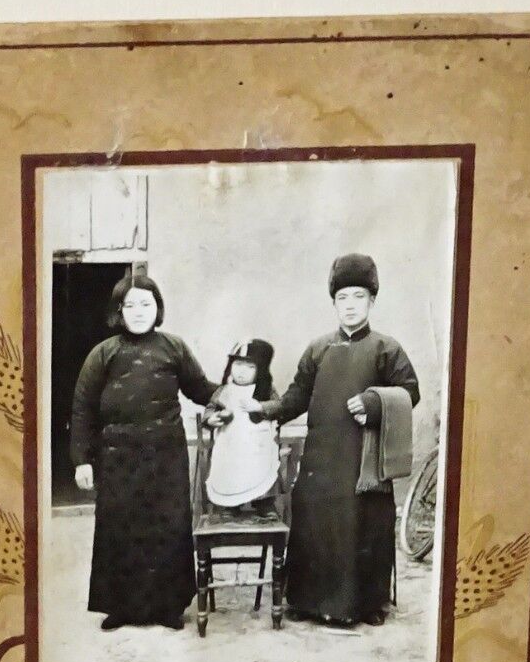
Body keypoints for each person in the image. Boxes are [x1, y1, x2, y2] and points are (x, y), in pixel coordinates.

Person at [250, 254, 418, 626]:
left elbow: (409, 392)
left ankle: (367, 605)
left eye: (359, 296)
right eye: (343, 298)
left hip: (364, 461)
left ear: (372, 301)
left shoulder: (386, 349)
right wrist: (263, 410)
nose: (351, 305)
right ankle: (308, 602)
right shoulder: (318, 348)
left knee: (364, 525)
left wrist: (374, 404)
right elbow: (296, 397)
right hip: (322, 458)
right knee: (315, 521)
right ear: (334, 303)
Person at [70, 273, 225, 630]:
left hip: (165, 455)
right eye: (131, 305)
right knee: (120, 528)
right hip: (117, 457)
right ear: (119, 311)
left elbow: (201, 389)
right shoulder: (103, 354)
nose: (139, 312)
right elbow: (82, 410)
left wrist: (234, 395)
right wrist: (82, 461)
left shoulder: (174, 348)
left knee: (166, 528)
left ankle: (168, 607)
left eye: (146, 304)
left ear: (158, 308)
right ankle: (121, 608)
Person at [203, 339, 280, 516]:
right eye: (238, 365)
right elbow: (210, 409)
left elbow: (279, 406)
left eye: (249, 367)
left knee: (261, 468)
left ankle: (264, 503)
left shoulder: (266, 390)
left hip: (257, 444)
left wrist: (261, 407)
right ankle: (230, 506)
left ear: (260, 370)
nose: (242, 371)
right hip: (231, 443)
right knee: (230, 470)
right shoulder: (224, 390)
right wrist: (211, 418)